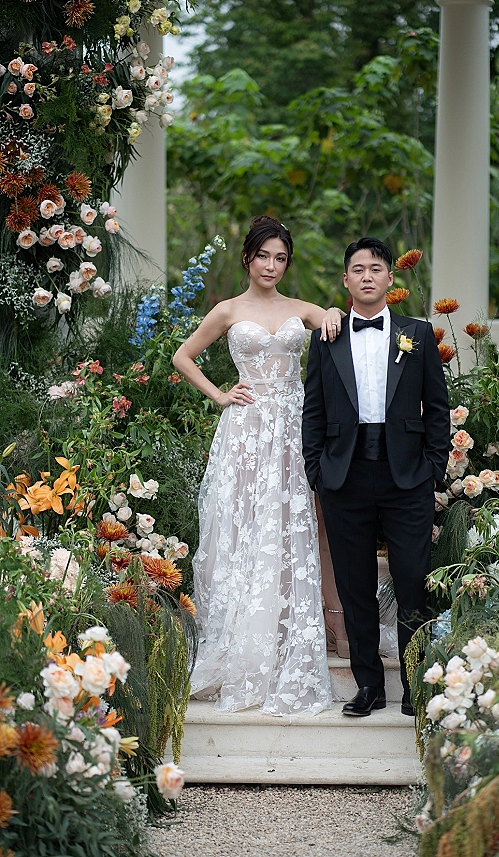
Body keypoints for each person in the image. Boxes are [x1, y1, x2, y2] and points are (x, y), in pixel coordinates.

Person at [173, 216, 344, 715]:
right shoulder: (228, 310)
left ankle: (292, 635)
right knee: (245, 528)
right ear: (247, 258)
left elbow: (332, 313)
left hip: (293, 428)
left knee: (294, 528)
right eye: (264, 256)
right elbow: (184, 357)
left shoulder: (298, 309)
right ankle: (242, 642)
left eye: (281, 258)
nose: (271, 265)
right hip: (246, 430)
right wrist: (221, 395)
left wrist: (333, 309)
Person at [302, 237, 450, 717]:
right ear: (346, 279)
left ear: (390, 278)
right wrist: (316, 471)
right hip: (344, 475)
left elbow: (438, 409)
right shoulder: (326, 337)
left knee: (412, 581)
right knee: (355, 584)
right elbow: (314, 411)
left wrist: (433, 467)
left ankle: (415, 683)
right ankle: (368, 686)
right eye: (358, 269)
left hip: (407, 475)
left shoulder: (419, 333)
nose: (368, 276)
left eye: (376, 268)